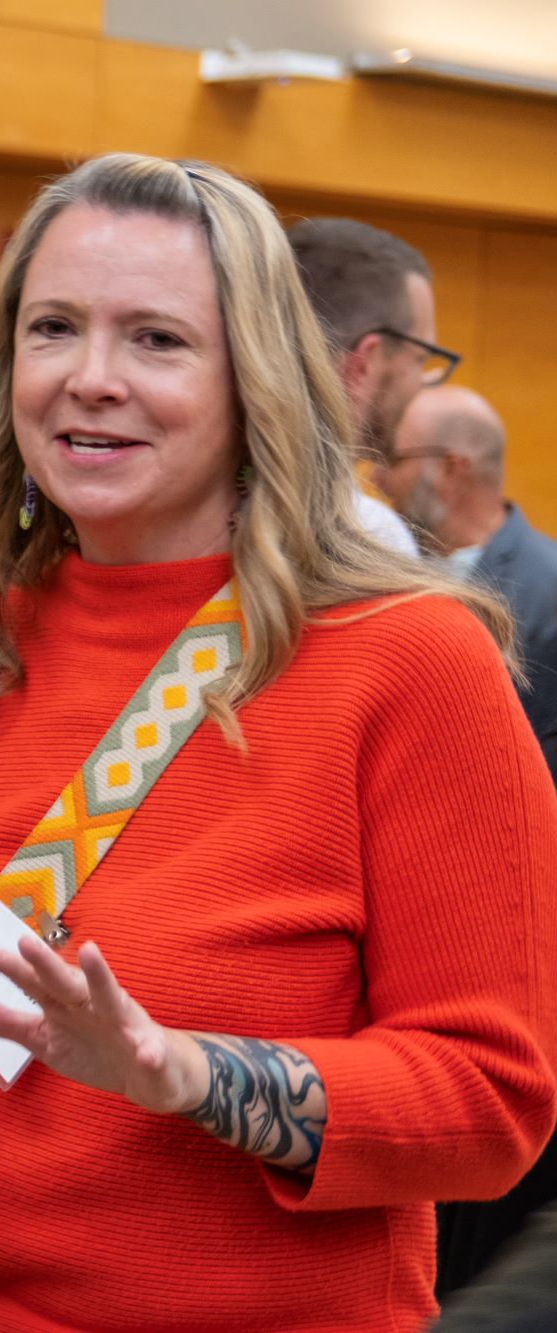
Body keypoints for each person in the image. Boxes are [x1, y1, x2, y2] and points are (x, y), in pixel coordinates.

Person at [0, 153, 557, 1333]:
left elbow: (490, 1101)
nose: (89, 379)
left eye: (155, 341)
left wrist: (187, 1075)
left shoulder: (409, 661)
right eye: (53, 328)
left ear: (258, 382)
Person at [378, 384, 557, 1292]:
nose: (377, 479)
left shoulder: (549, 593)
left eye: (393, 463)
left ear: (448, 471)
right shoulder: (386, 587)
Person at [288, 216, 462, 557]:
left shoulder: (186, 499)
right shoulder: (371, 539)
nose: (422, 384)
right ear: (365, 362)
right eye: (420, 360)